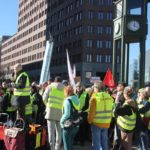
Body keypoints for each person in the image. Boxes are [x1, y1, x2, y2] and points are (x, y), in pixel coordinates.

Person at [88, 81, 114, 150]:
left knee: (96, 143)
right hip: (106, 123)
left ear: (96, 88)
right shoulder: (109, 97)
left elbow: (91, 112)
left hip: (96, 123)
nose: (93, 89)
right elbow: (111, 111)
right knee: (104, 142)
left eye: (94, 87)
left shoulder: (94, 98)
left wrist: (89, 121)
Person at [43, 76, 64, 150]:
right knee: (59, 132)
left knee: (51, 133)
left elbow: (44, 98)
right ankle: (57, 148)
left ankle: (52, 148)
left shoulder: (50, 87)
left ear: (54, 81)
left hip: (50, 112)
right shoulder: (64, 88)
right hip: (60, 113)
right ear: (61, 81)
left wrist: (47, 105)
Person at [60, 85, 80, 150]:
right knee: (70, 145)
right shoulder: (77, 99)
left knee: (67, 147)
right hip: (76, 125)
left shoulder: (67, 101)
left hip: (68, 125)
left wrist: (61, 121)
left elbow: (67, 114)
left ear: (66, 92)